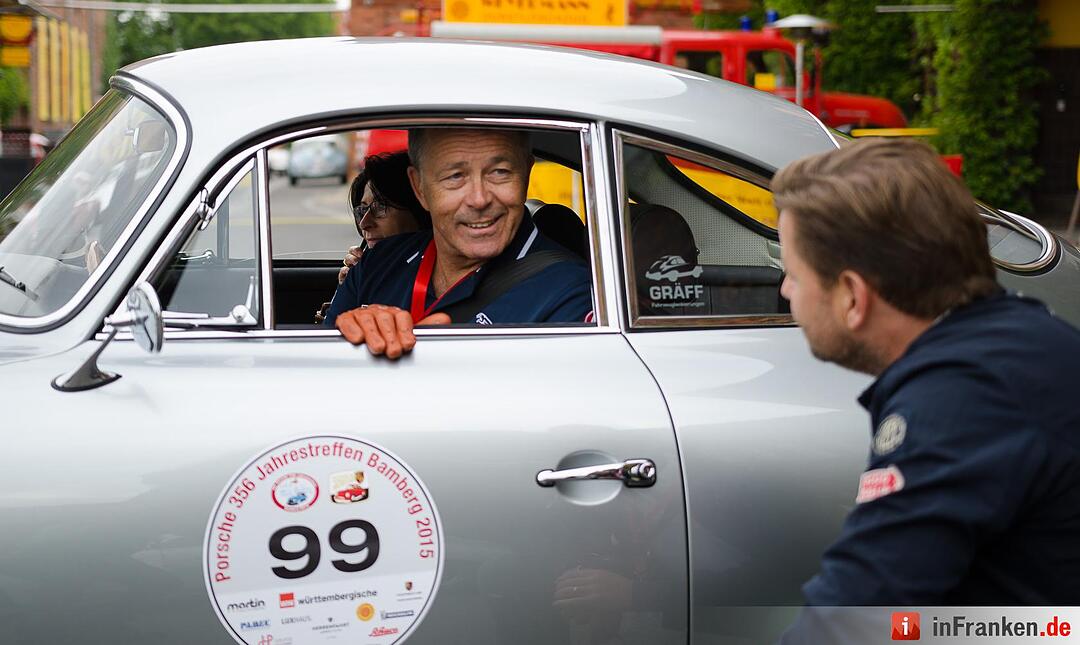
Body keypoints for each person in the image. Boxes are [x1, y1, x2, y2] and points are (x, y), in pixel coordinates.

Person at [772, 137, 1080, 606]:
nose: (785, 288)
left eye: (794, 272)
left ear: (853, 296)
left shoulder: (957, 404)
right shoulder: (1029, 339)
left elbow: (856, 620)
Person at [323, 128, 592, 358]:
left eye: (499, 172)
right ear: (419, 188)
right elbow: (322, 373)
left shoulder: (571, 290)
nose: (479, 199)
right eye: (455, 176)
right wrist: (352, 338)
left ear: (525, 175)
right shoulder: (379, 261)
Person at [338, 151, 432, 284]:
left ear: (420, 209)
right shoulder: (368, 271)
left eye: (381, 206)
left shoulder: (433, 279)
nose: (364, 223)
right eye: (363, 210)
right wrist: (351, 286)